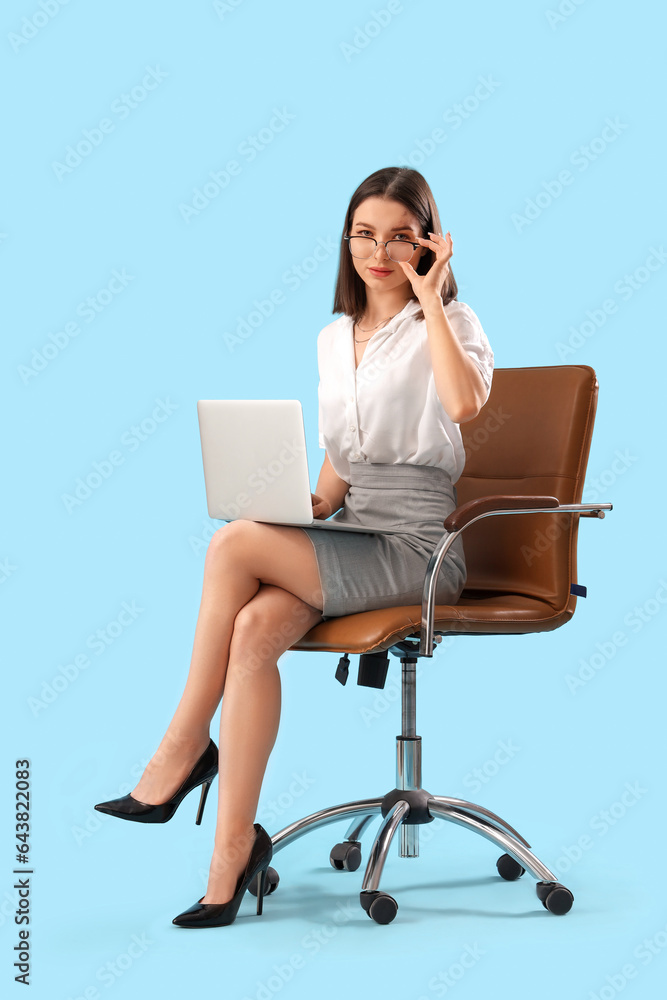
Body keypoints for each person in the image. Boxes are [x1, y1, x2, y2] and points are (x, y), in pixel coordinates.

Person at [94, 166, 494, 928]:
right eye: (364, 235)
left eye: (400, 237)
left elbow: (463, 403)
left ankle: (179, 752)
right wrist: (304, 507)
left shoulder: (456, 321)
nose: (378, 252)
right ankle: (229, 859)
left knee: (230, 548)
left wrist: (429, 299)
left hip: (419, 547)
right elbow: (342, 457)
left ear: (428, 243)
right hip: (354, 532)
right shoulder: (332, 336)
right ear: (346, 242)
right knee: (250, 631)